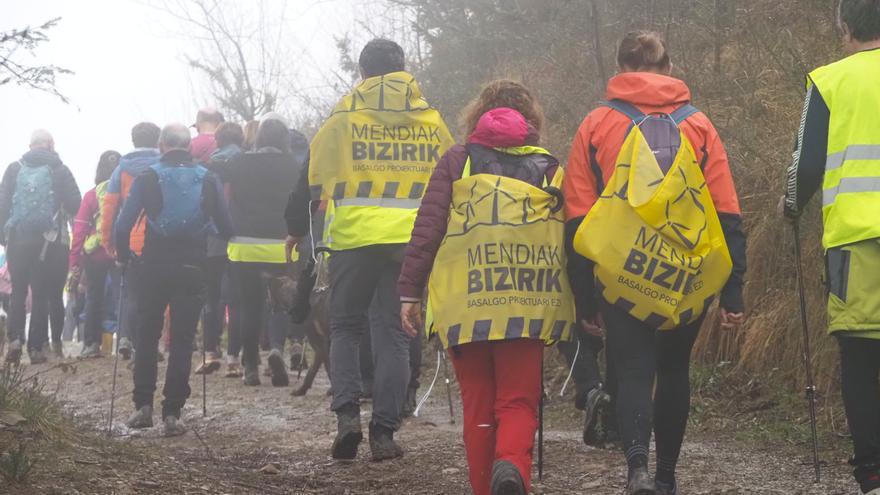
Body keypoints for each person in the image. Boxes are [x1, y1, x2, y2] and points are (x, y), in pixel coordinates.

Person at [565, 31, 746, 495]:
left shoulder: (596, 124)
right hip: (685, 274)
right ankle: (666, 478)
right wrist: (732, 291)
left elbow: (579, 220)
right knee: (673, 370)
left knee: (631, 369)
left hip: (620, 273)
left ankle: (637, 470)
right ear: (668, 66)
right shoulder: (698, 124)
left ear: (621, 67)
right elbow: (726, 211)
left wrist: (584, 300)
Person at [398, 83, 574, 495]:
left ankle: (483, 488)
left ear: (477, 114)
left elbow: (428, 229)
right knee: (517, 400)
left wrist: (410, 292)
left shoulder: (457, 161)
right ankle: (511, 466)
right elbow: (567, 235)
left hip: (466, 300)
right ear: (532, 119)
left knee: (478, 405)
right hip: (527, 299)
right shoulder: (548, 166)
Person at [287, 38, 454, 462]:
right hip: (409, 241)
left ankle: (346, 418)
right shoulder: (431, 120)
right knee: (395, 334)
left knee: (345, 328)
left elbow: (310, 177)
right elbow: (453, 179)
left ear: (362, 73)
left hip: (353, 240)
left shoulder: (342, 118)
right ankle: (384, 433)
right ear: (403, 69)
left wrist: (295, 227)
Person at [783, 2, 880, 493]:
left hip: (854, 244)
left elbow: (806, 163)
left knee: (861, 362)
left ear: (844, 27)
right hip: (854, 241)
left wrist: (791, 204)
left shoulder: (828, 80)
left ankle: (873, 473)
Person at [116, 123, 232, 437]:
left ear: (162, 145)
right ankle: (173, 412)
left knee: (146, 334)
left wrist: (124, 257)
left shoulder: (149, 176)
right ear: (189, 146)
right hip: (193, 266)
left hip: (153, 265)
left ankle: (143, 407)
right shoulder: (207, 178)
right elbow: (226, 226)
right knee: (182, 339)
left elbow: (123, 224)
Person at [219, 117, 308, 387]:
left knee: (248, 306)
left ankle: (250, 367)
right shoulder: (294, 165)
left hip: (244, 243)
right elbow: (304, 202)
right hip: (282, 243)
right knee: (279, 301)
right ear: (285, 139)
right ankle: (276, 349)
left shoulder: (239, 162)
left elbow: (221, 190)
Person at [0, 130, 81, 365]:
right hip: (50, 242)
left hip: (18, 239)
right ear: (50, 145)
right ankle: (36, 348)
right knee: (42, 293)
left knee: (18, 290)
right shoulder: (60, 169)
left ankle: (15, 340)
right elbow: (76, 203)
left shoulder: (14, 169)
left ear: (30, 145)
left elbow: (2, 205)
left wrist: (5, 239)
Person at [101, 122, 161, 359]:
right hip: (159, 239)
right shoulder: (162, 165)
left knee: (131, 293)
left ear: (134, 140)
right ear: (157, 140)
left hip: (130, 239)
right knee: (155, 293)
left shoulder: (121, 169)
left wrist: (109, 240)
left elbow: (110, 207)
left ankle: (126, 336)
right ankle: (149, 344)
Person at [196, 122, 244, 375]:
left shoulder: (209, 165)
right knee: (235, 299)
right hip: (239, 236)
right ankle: (234, 358)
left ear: (218, 140)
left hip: (213, 238)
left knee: (211, 297)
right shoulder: (247, 162)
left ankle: (210, 352)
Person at [70, 150, 122, 358]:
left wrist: (75, 260)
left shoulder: (91, 195)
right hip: (120, 251)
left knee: (94, 297)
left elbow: (80, 229)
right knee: (125, 297)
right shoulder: (127, 191)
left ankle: (91, 344)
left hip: (95, 254)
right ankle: (127, 340)